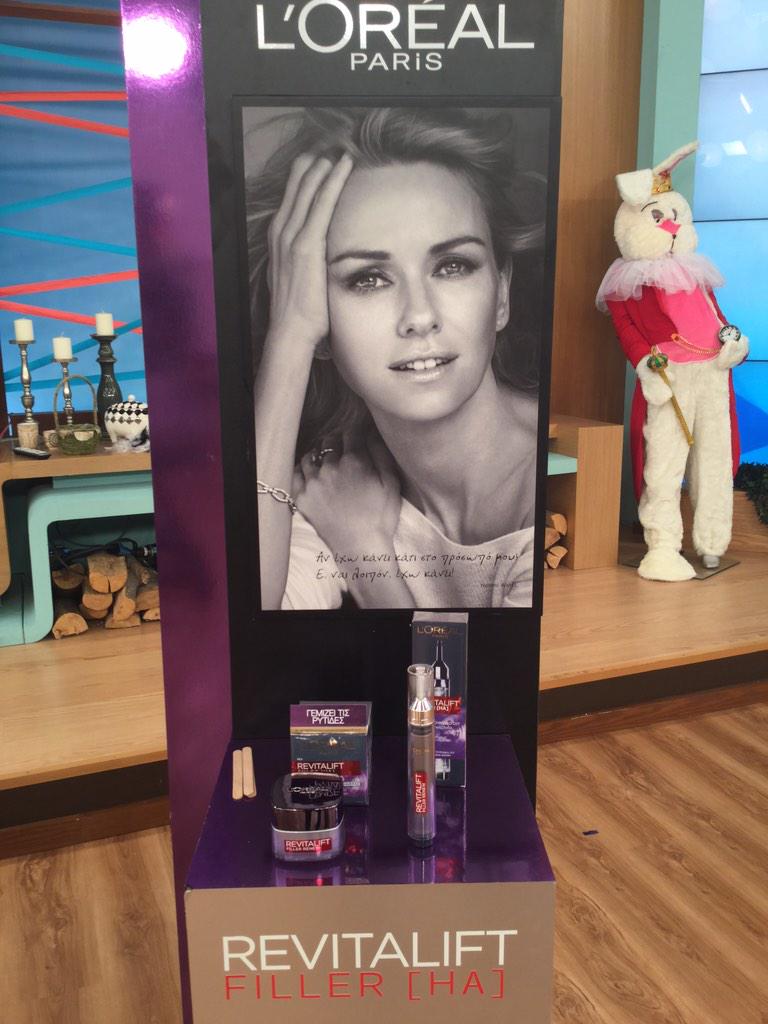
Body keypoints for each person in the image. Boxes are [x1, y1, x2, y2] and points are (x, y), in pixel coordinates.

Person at [246, 107, 546, 610]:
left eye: (453, 266)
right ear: (318, 316)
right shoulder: (341, 484)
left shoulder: (556, 492)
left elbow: (463, 669)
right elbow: (241, 620)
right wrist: (290, 335)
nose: (419, 316)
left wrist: (363, 553)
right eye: (368, 279)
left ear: (501, 294)